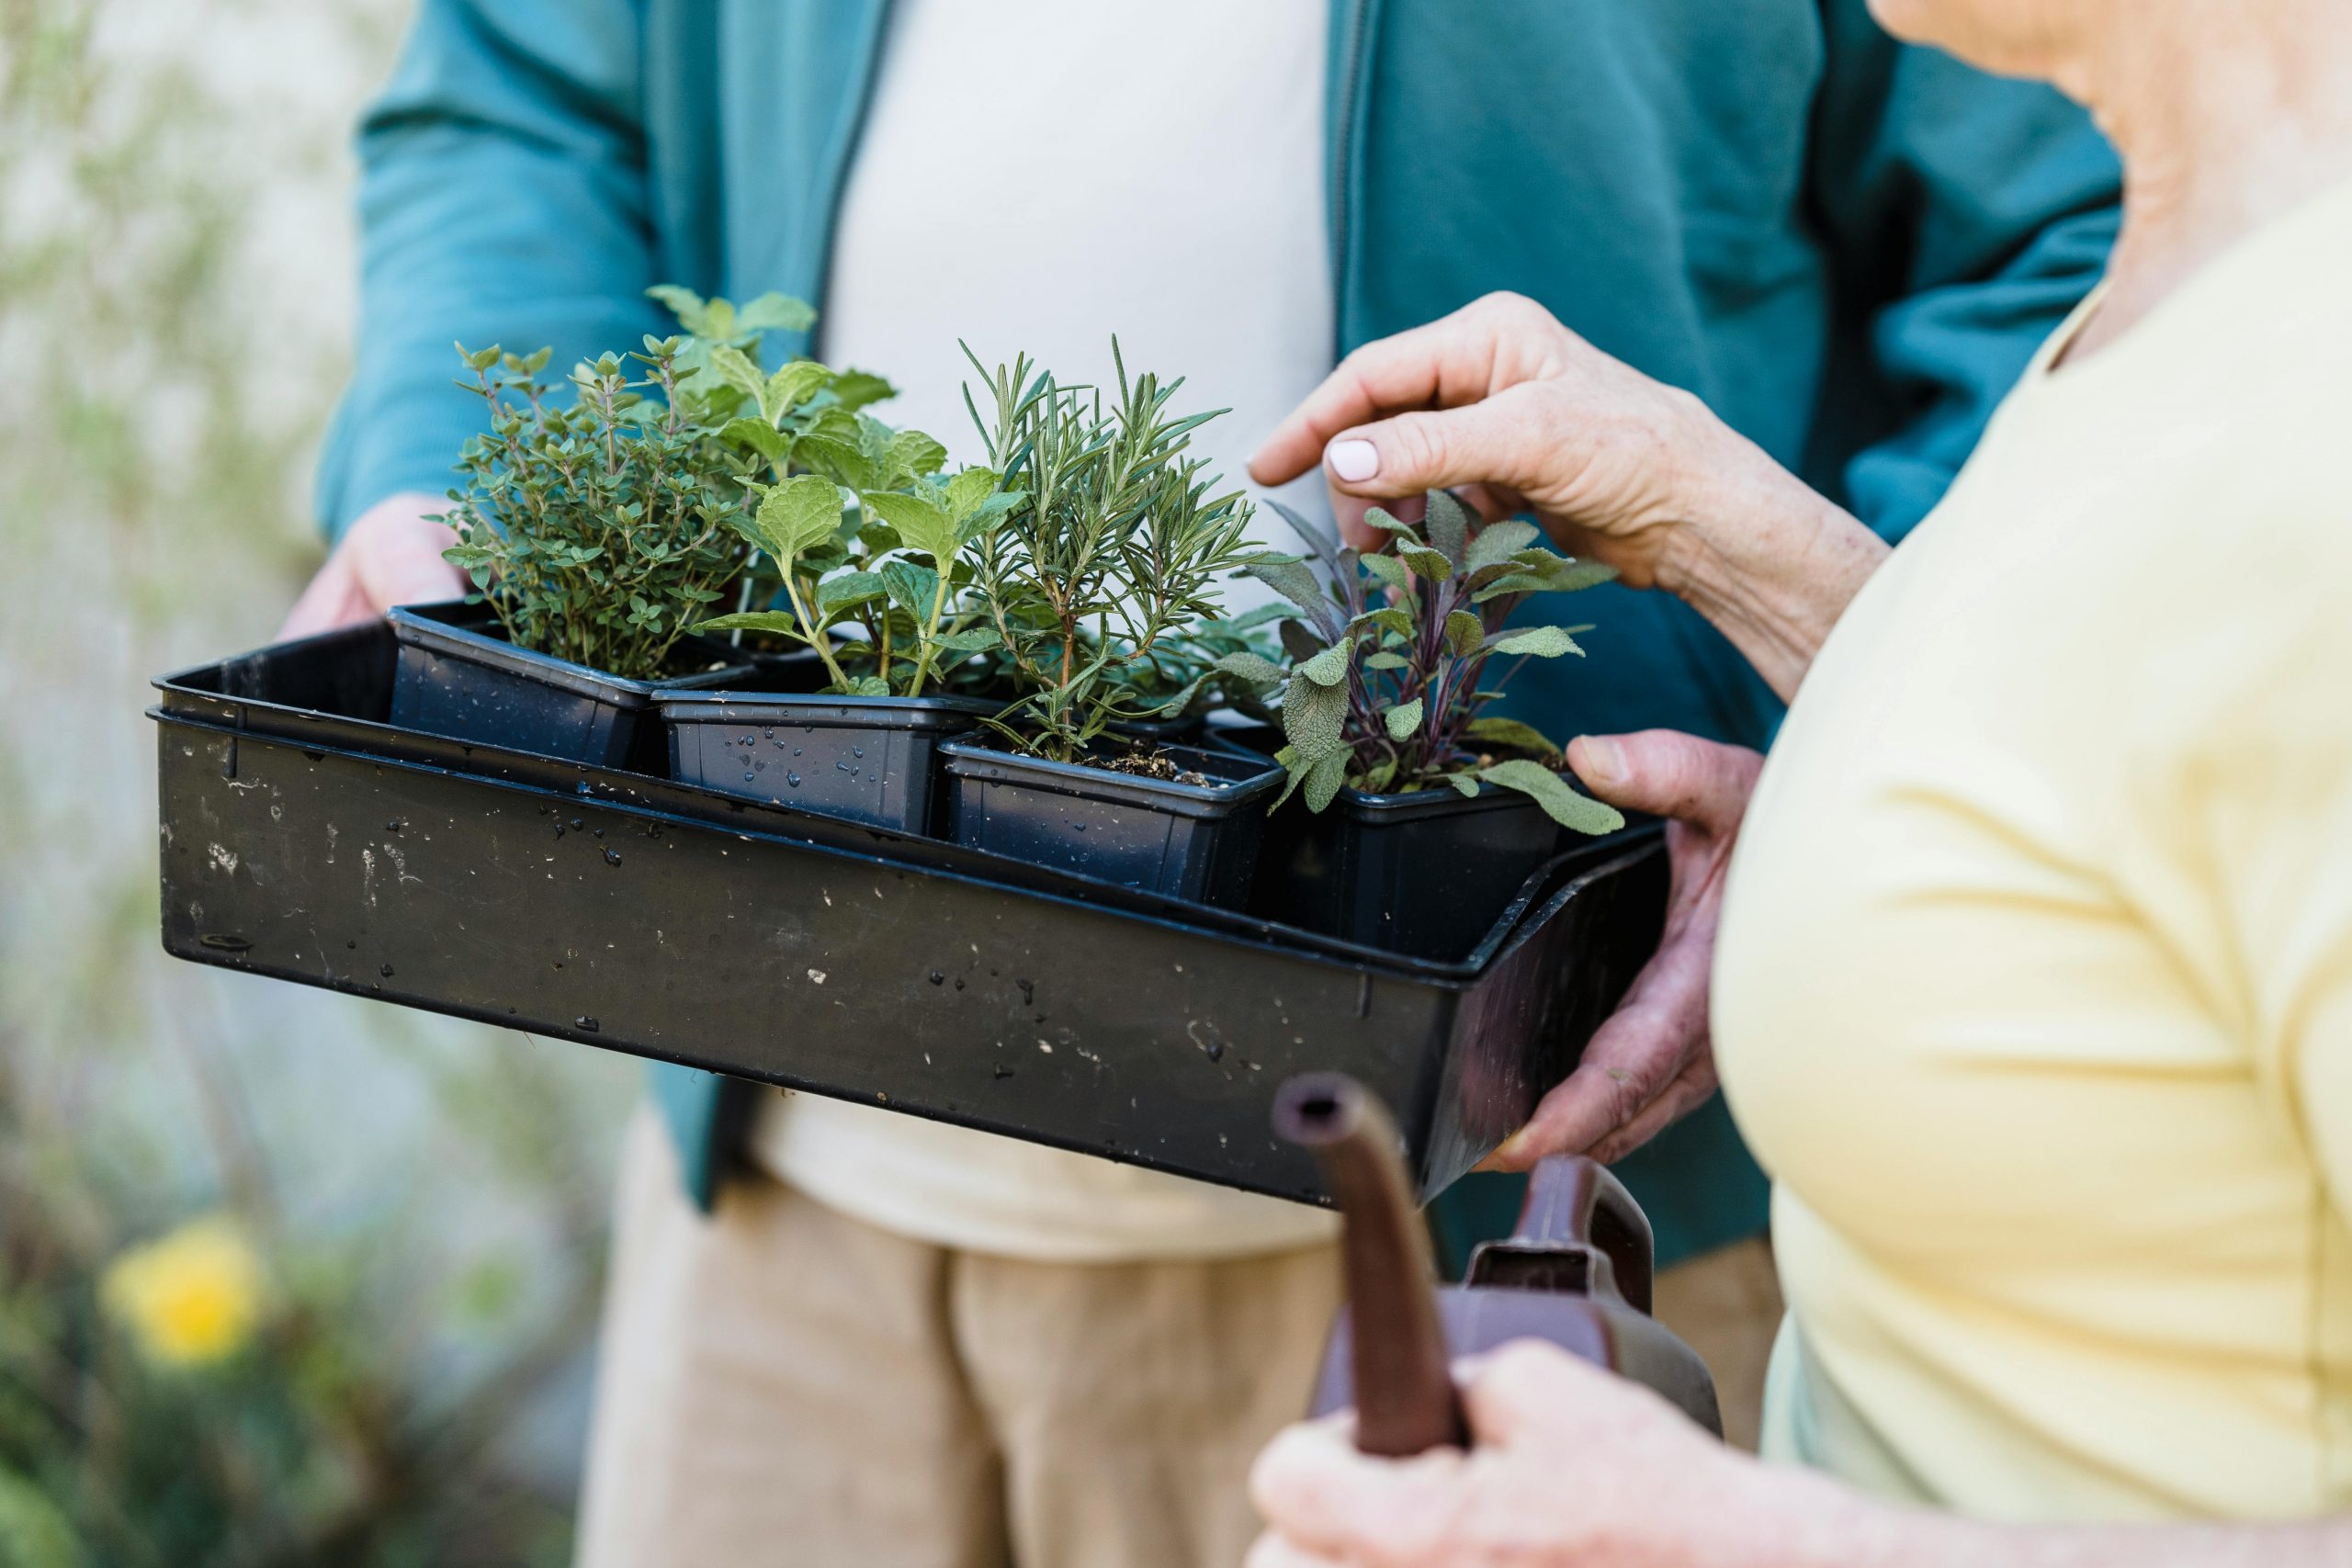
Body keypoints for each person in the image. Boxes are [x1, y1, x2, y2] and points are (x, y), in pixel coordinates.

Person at [294, 2, 2120, 1562]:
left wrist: (1835, 727)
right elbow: (525, 91)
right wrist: (461, 484)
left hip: (1505, 1222)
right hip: (781, 1180)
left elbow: (2082, 204)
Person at [1244, 0, 2352, 1560]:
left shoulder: (2315, 456)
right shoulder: (2175, 306)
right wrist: (1731, 533)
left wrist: (1715, 1540)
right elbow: (2126, 767)